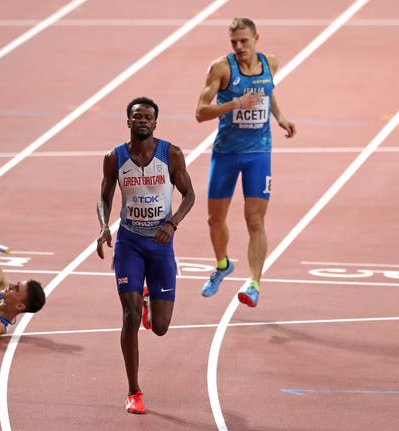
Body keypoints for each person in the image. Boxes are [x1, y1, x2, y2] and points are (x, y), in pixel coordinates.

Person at [96, 97, 195, 414]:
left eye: (147, 117)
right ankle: (133, 391)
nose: (142, 121)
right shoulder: (114, 158)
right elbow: (103, 197)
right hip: (130, 244)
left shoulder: (171, 154)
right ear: (128, 122)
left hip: (161, 244)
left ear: (155, 123)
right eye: (136, 116)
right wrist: (103, 226)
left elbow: (189, 194)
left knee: (162, 327)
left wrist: (172, 223)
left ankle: (150, 297)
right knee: (129, 315)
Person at [195, 17, 296, 307]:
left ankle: (254, 284)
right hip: (226, 153)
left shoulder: (271, 64)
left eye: (244, 41)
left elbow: (267, 92)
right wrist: (235, 104)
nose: (239, 47)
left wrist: (280, 117)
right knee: (215, 219)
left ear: (256, 39)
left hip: (258, 153)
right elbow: (200, 112)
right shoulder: (221, 69)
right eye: (234, 42)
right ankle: (223, 264)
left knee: (255, 219)